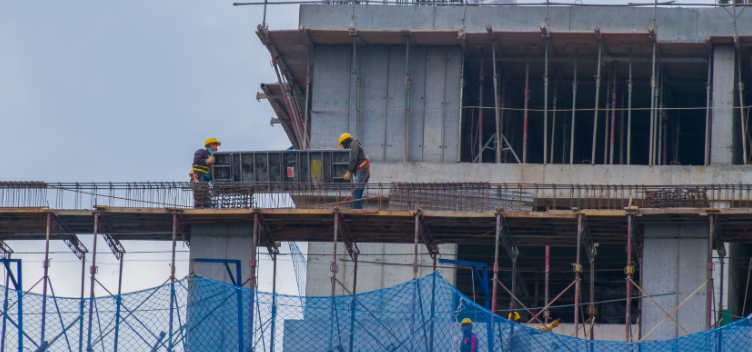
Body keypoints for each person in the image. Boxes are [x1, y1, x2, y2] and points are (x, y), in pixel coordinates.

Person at [339, 133, 370, 209]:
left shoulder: (354, 144)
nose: (343, 146)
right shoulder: (353, 145)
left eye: (343, 144)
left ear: (346, 141)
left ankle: (354, 213)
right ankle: (359, 213)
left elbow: (353, 158)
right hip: (362, 171)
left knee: (355, 194)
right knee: (357, 195)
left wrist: (349, 171)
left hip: (362, 170)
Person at [190, 138, 220, 208]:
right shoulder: (202, 152)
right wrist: (207, 161)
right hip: (198, 180)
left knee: (207, 202)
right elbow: (197, 159)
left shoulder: (212, 156)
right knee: (200, 200)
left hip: (204, 183)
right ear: (211, 145)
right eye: (216, 146)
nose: (217, 148)